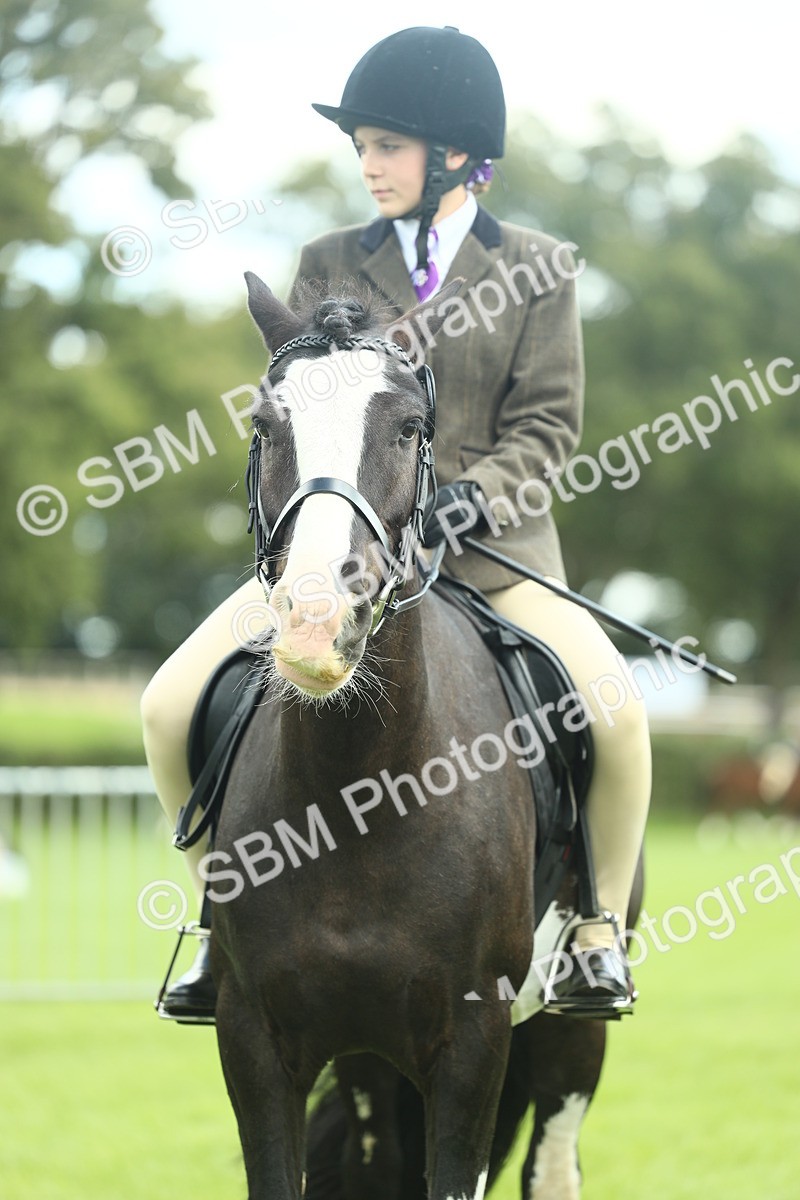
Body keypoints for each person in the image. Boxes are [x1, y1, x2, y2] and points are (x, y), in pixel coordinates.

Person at [141, 24, 651, 1020]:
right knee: (166, 706)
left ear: (454, 153)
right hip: (338, 552)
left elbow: (548, 425)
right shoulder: (326, 260)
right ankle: (215, 924)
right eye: (361, 147)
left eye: (386, 146)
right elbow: (291, 408)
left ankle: (593, 933)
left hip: (491, 559)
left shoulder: (538, 268)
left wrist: (475, 493)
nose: (366, 165)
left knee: (617, 711)